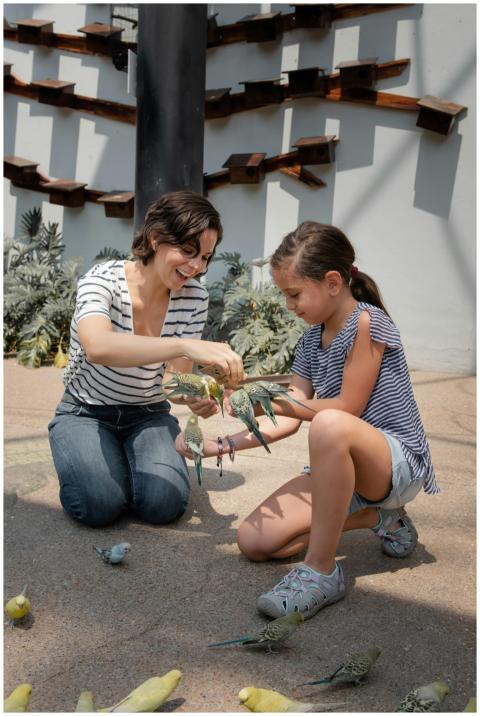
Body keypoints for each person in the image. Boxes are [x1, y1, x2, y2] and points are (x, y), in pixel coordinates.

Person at [176, 221, 438, 621]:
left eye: (294, 294)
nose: (289, 305)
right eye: (285, 295)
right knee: (255, 541)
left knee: (331, 422)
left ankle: (321, 571)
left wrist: (265, 397)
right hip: (340, 466)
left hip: (393, 463)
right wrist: (220, 443)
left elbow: (345, 408)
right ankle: (379, 518)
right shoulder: (310, 340)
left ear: (333, 282)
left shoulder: (368, 322)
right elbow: (290, 416)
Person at [48, 190, 243, 528]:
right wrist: (184, 345)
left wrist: (198, 394)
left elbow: (172, 381)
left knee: (164, 506)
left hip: (148, 415)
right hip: (86, 411)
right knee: (99, 505)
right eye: (188, 251)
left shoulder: (194, 297)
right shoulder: (102, 280)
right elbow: (98, 346)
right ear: (155, 239)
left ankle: (121, 456)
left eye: (206, 257)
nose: (197, 267)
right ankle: (84, 450)